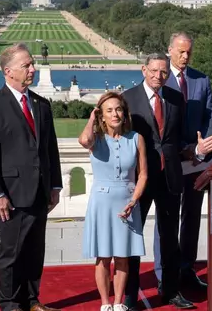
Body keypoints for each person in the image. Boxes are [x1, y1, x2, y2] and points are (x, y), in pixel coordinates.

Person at [0, 43, 62, 311]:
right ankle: (10, 304)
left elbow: (51, 148)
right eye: (27, 65)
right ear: (8, 71)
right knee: (12, 253)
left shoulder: (41, 104)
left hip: (39, 191)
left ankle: (32, 300)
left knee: (35, 251)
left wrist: (55, 184)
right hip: (10, 195)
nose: (32, 69)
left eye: (32, 64)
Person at [121, 53, 194, 310]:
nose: (158, 76)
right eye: (153, 71)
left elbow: (177, 138)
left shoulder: (175, 98)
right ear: (144, 70)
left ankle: (171, 290)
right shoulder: (127, 99)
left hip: (170, 177)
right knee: (132, 238)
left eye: (163, 72)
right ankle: (130, 296)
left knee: (169, 238)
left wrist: (193, 150)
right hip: (139, 179)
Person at [152, 32, 212, 293]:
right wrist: (181, 150)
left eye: (189, 52)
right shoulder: (160, 80)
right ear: (169, 50)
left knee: (192, 218)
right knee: (167, 219)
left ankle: (186, 268)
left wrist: (199, 150)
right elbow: (156, 122)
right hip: (171, 160)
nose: (185, 56)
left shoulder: (202, 80)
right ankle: (164, 273)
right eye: (180, 51)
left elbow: (209, 118)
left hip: (197, 160)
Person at [79, 92, 148, 311]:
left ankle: (119, 303)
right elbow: (83, 140)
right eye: (109, 110)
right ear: (102, 115)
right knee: (103, 257)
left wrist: (134, 200)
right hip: (101, 204)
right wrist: (92, 118)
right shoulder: (96, 139)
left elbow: (143, 174)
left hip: (127, 203)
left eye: (118, 109)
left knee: (122, 256)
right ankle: (105, 304)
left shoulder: (137, 138)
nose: (115, 114)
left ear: (124, 112)